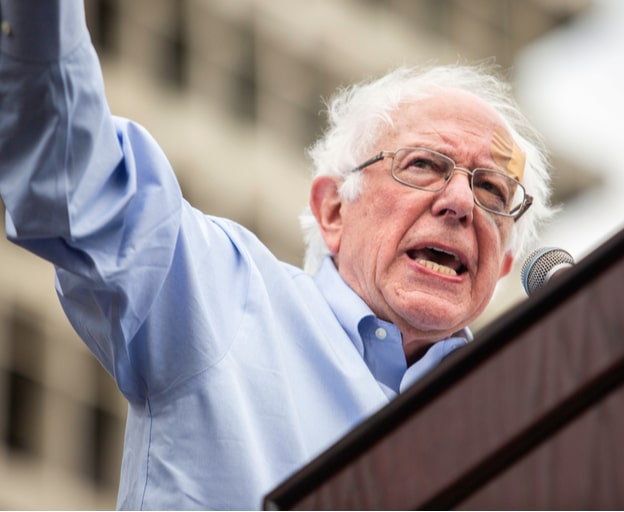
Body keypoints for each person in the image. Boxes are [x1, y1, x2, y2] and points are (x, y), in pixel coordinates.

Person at [0, 1, 553, 509]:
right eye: (424, 166)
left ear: (502, 268)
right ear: (334, 210)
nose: (460, 202)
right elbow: (71, 168)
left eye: (493, 192)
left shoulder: (531, 431)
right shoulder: (219, 293)